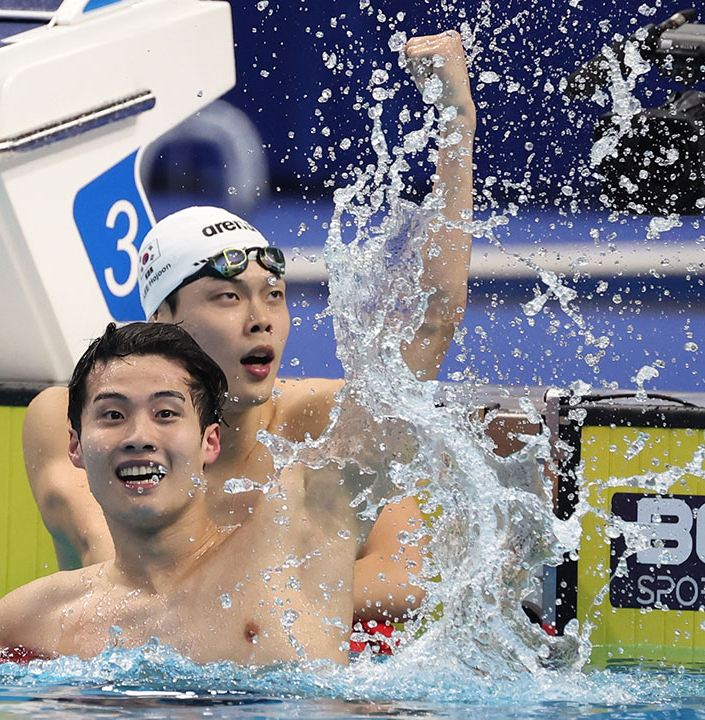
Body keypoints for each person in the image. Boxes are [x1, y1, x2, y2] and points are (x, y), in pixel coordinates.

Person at [24, 31, 477, 626]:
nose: (259, 316)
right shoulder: (88, 416)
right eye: (227, 297)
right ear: (162, 321)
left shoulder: (325, 421)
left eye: (274, 295)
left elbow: (405, 577)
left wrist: (456, 125)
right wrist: (269, 592)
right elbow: (119, 566)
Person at [0, 322, 412, 664]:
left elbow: (424, 332)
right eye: (112, 415)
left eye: (166, 413)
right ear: (75, 444)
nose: (138, 436)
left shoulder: (291, 557)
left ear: (209, 442)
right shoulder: (30, 620)